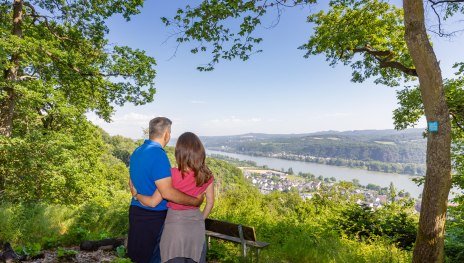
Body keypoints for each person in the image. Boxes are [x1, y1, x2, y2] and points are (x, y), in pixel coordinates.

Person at [128, 117, 205, 263]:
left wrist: (136, 195)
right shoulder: (158, 155)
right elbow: (167, 192)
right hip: (154, 218)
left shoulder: (137, 151)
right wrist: (194, 202)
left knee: (139, 258)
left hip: (136, 213)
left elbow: (131, 181)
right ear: (167, 134)